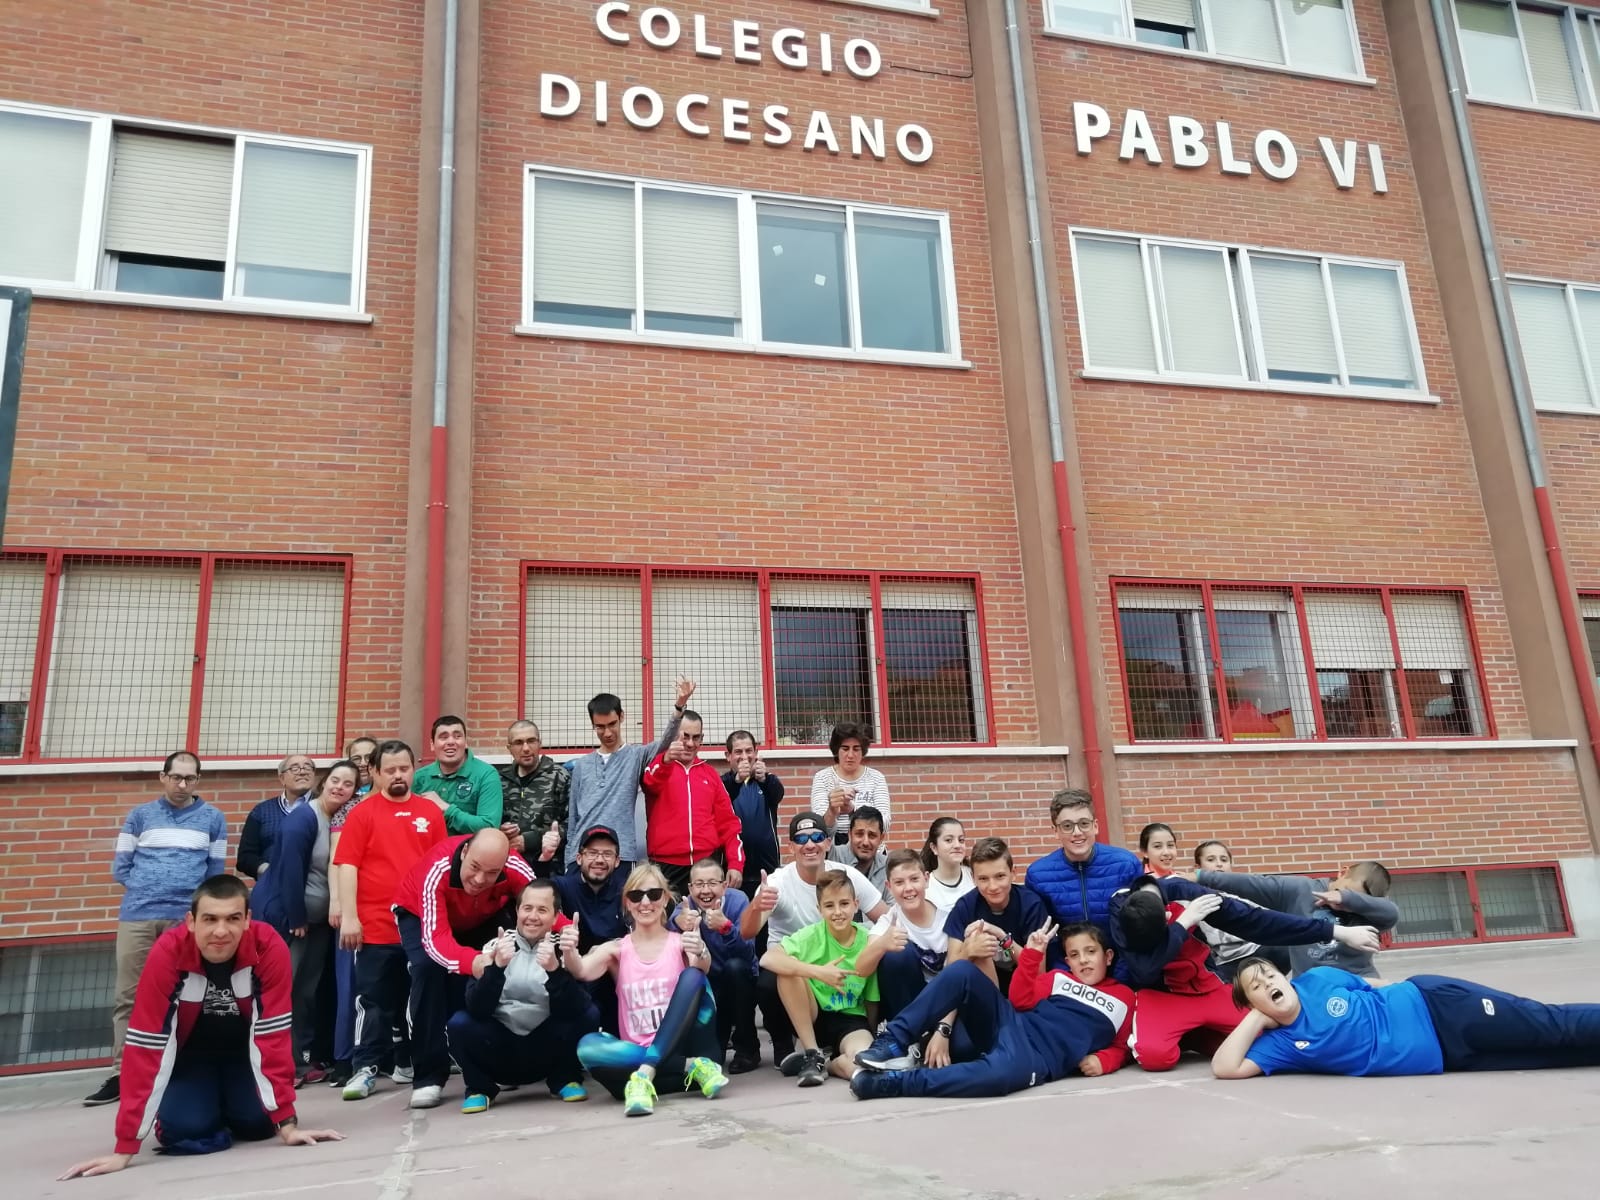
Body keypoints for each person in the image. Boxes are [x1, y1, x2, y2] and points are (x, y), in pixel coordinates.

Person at [59, 876, 343, 1179]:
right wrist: (125, 1147)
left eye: (233, 918)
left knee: (259, 1125)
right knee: (187, 1130)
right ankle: (203, 1103)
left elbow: (272, 1037)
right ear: (191, 921)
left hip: (243, 1056)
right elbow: (146, 1046)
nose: (221, 931)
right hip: (190, 1057)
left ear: (247, 920)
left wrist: (287, 1125)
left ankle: (230, 1103)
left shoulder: (267, 947)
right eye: (210, 919)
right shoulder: (168, 953)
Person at [1110, 877, 1381, 1072]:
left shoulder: (1185, 893)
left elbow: (1257, 921)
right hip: (1161, 996)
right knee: (1156, 1058)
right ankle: (1188, 1033)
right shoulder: (1121, 908)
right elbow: (1143, 970)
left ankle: (1194, 1034)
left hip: (1207, 987)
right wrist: (1182, 924)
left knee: (1268, 1035)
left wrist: (1336, 931)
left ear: (1165, 910)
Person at [851, 920, 1135, 1100]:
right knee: (962, 969)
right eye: (1074, 955)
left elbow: (1123, 1048)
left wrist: (1104, 1060)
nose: (1083, 961)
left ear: (1107, 956)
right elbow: (1020, 999)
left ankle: (893, 1083)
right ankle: (892, 1042)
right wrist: (1033, 954)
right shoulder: (1058, 979)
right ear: (1068, 962)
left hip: (1036, 1058)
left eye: (1090, 952)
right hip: (1011, 1022)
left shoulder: (1125, 998)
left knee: (999, 1077)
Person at [86, 751, 227, 1108]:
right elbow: (122, 867)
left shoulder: (213, 819)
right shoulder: (140, 816)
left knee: (187, 993)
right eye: (176, 777)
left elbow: (214, 872)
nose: (182, 785)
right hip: (138, 917)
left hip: (185, 921)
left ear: (198, 780)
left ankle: (181, 1067)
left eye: (190, 778)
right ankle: (124, 1073)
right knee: (129, 996)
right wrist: (150, 889)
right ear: (162, 777)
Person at [1214, 959, 1600, 1079]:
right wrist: (1254, 1020)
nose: (1268, 982)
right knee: (1546, 1054)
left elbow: (1369, 984)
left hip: (1440, 1006)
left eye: (1270, 975)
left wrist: (1404, 989)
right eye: (1257, 987)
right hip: (1447, 1058)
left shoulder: (1317, 980)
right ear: (1254, 1004)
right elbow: (1225, 1068)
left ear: (1286, 977)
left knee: (1550, 1026)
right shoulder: (1282, 1045)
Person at [332, 739, 447, 1102]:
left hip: (418, 925)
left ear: (414, 769)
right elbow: (347, 865)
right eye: (390, 770)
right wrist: (350, 916)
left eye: (404, 768)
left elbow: (440, 867)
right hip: (373, 924)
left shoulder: (430, 813)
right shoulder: (362, 814)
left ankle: (418, 1068)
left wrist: (440, 921)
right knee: (374, 1001)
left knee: (420, 1000)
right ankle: (365, 1068)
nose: (398, 775)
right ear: (376, 774)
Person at [391, 828, 537, 1108]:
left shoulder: (517, 867)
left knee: (509, 961)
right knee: (428, 969)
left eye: (492, 873)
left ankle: (500, 1063)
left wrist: (568, 936)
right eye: (475, 868)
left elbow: (543, 908)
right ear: (465, 852)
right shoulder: (438, 868)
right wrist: (475, 962)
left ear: (505, 865)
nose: (480, 879)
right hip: (420, 914)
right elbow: (437, 942)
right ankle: (428, 1075)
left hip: (481, 913)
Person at [568, 865, 730, 1116]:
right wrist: (569, 951)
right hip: (677, 1061)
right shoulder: (617, 949)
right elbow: (581, 971)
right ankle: (686, 1070)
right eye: (636, 895)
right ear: (627, 902)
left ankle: (645, 1075)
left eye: (653, 894)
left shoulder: (681, 942)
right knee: (588, 1047)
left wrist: (699, 948)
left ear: (665, 898)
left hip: (690, 1046)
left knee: (693, 976)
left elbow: (702, 967)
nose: (645, 902)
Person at [743, 813, 887, 1070]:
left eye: (818, 837)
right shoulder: (777, 883)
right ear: (791, 847)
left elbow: (885, 918)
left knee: (890, 957)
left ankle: (836, 1057)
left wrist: (889, 940)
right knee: (773, 977)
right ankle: (788, 1047)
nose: (810, 844)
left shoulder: (845, 877)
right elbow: (748, 932)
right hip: (802, 981)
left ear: (829, 843)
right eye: (801, 839)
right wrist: (756, 906)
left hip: (845, 1003)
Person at [249, 758, 359, 1086]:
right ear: (323, 782)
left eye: (348, 784)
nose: (340, 787)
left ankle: (297, 1062)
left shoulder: (334, 819)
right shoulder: (303, 818)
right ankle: (271, 1066)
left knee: (304, 993)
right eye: (335, 780)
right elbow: (288, 870)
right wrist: (296, 917)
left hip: (316, 924)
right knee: (280, 991)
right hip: (287, 920)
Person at [446, 879, 592, 1111]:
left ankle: (565, 1079)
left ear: (555, 918)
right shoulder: (495, 945)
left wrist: (555, 970)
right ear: (517, 911)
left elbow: (578, 1010)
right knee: (458, 1024)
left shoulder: (563, 948)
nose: (533, 916)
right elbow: (476, 1008)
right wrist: (497, 969)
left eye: (542, 910)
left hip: (546, 1048)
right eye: (527, 908)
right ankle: (480, 1088)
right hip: (500, 1047)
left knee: (589, 1013)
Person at [760, 869, 881, 1087]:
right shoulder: (811, 936)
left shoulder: (868, 939)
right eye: (829, 906)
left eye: (844, 904)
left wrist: (871, 1034)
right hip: (813, 1016)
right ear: (819, 909)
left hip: (851, 1020)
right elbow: (768, 959)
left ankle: (831, 1064)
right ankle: (812, 1053)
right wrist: (818, 972)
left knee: (863, 1062)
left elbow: (872, 998)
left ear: (856, 904)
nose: (837, 912)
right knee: (789, 972)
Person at [1195, 860, 1399, 978]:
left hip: (1359, 982)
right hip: (1311, 988)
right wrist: (1200, 877)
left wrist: (1346, 898)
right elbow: (1253, 883)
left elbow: (1391, 913)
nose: (1344, 907)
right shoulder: (1302, 889)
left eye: (1361, 900)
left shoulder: (1373, 913)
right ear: (1343, 872)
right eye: (1348, 890)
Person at [567, 677, 691, 869]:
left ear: (621, 717)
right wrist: (570, 859)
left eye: (612, 724)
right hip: (583, 856)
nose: (607, 733)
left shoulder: (636, 756)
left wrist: (679, 706)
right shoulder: (582, 765)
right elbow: (573, 818)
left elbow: (666, 742)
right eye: (599, 727)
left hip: (621, 855)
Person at [641, 706, 745, 896]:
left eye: (696, 737)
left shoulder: (711, 775)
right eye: (685, 736)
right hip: (666, 867)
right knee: (669, 923)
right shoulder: (659, 767)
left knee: (708, 923)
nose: (690, 743)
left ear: (702, 739)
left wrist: (735, 863)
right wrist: (666, 760)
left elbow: (729, 824)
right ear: (674, 736)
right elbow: (649, 783)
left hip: (706, 865)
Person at [673, 857, 759, 1073]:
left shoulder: (738, 901)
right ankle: (714, 1044)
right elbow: (672, 928)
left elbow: (748, 952)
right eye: (699, 884)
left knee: (736, 968)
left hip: (740, 981)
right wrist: (677, 923)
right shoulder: (685, 907)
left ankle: (747, 1049)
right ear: (690, 888)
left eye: (712, 883)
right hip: (708, 983)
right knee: (714, 1059)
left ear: (724, 885)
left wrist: (726, 928)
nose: (706, 891)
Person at [325, 739, 377, 1088]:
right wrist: (339, 904)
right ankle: (346, 1059)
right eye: (356, 759)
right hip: (355, 909)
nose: (363, 766)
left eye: (368, 760)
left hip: (388, 911)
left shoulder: (405, 803)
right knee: (351, 989)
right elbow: (338, 859)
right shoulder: (351, 808)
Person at [943, 837, 1051, 999]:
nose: (993, 887)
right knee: (978, 939)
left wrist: (1002, 936)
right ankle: (996, 1012)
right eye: (983, 879)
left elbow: (1039, 970)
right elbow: (950, 969)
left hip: (1025, 991)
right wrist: (968, 951)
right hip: (982, 994)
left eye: (1000, 876)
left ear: (1013, 873)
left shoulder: (1031, 905)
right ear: (973, 878)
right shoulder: (965, 906)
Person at [1024, 789, 1143, 929]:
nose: (1077, 833)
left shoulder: (1126, 865)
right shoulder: (1038, 876)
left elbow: (1142, 920)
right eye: (1067, 826)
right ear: (1056, 831)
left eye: (1084, 823)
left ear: (1095, 826)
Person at [854, 849, 949, 1023]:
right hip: (908, 1001)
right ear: (889, 887)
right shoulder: (889, 921)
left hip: (945, 1000)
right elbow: (860, 969)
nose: (908, 888)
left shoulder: (949, 915)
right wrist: (882, 944)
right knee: (896, 951)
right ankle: (906, 1034)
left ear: (926, 879)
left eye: (914, 879)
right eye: (899, 882)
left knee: (964, 1046)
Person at [552, 824, 629, 1033]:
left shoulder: (627, 891)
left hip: (614, 976)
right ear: (579, 858)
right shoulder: (563, 886)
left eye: (607, 854)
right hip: (574, 974)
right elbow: (535, 893)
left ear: (617, 861)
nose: (599, 860)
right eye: (592, 853)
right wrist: (543, 858)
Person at [412, 715, 505, 835]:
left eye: (457, 736)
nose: (450, 742)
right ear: (432, 744)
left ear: (466, 742)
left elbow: (489, 827)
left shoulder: (486, 775)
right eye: (443, 737)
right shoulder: (419, 778)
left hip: (468, 851)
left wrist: (446, 809)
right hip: (428, 850)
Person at [498, 719, 570, 871]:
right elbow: (489, 821)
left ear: (540, 743)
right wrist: (501, 829)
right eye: (518, 743)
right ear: (509, 748)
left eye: (531, 741)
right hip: (508, 866)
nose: (526, 748)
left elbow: (572, 824)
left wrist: (530, 840)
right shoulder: (500, 780)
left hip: (548, 867)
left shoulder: (559, 776)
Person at [722, 730, 784, 900]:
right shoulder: (722, 784)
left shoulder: (767, 781)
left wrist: (764, 779)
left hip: (767, 871)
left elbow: (777, 794)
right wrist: (737, 780)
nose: (744, 757)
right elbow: (723, 796)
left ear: (756, 753)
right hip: (734, 874)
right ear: (728, 756)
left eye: (749, 751)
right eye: (738, 752)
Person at [236, 754, 317, 879]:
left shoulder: (324, 808)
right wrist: (270, 871)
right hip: (271, 887)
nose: (302, 772)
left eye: (307, 767)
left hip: (314, 888)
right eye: (295, 768)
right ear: (282, 778)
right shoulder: (261, 811)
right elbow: (245, 857)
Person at [810, 722, 890, 844]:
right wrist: (832, 810)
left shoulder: (876, 778)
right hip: (835, 848)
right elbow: (820, 828)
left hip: (869, 845)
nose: (851, 755)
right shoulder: (822, 778)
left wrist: (853, 811)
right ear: (836, 750)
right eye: (845, 748)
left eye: (856, 749)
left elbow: (885, 823)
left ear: (863, 752)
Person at [828, 805, 888, 891]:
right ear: (849, 834)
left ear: (881, 838)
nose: (865, 842)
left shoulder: (888, 867)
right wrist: (831, 812)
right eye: (859, 834)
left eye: (872, 835)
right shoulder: (834, 856)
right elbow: (824, 836)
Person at [920, 817, 974, 908]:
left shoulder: (975, 877)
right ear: (934, 848)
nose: (957, 845)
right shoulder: (926, 887)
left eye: (961, 840)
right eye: (949, 840)